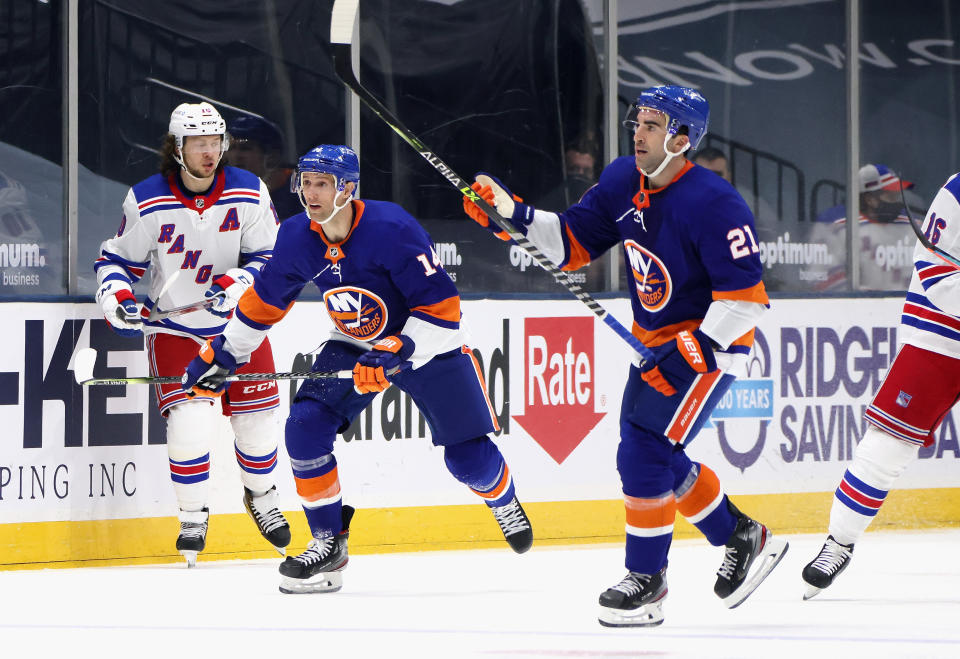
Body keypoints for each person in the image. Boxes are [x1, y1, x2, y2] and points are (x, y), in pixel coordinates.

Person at [463, 85, 788, 627]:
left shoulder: (715, 202)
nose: (637, 133)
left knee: (641, 454)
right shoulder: (620, 179)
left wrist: (688, 356)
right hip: (655, 343)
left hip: (711, 349)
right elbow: (570, 243)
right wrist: (510, 211)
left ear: (682, 140)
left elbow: (746, 301)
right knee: (654, 454)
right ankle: (741, 535)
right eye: (638, 122)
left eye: (653, 125)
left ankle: (648, 580)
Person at [180, 144, 533, 594]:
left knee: (468, 460)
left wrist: (394, 350)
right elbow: (261, 306)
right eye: (305, 182)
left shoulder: (391, 228)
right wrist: (221, 355)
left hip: (426, 344)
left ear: (347, 189)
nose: (310, 193)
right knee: (305, 427)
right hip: (354, 342)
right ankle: (329, 542)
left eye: (321, 184)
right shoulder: (296, 236)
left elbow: (442, 309)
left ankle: (502, 500)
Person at [94, 101, 290, 566]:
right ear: (176, 148)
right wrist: (117, 301)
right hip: (176, 328)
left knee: (257, 426)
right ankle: (192, 516)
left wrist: (241, 282)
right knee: (190, 424)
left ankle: (262, 497)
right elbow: (116, 262)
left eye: (215, 142)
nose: (209, 152)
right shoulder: (146, 198)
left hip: (242, 326)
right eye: (197, 143)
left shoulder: (250, 190)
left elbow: (272, 256)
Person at [801, 171, 960, 599]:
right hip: (940, 335)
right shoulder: (957, 191)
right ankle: (838, 543)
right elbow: (934, 269)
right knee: (884, 448)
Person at [810, 164, 917, 291]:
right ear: (870, 199)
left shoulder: (911, 226)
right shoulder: (835, 226)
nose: (897, 201)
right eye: (891, 197)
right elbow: (820, 276)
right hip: (855, 309)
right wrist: (863, 298)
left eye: (898, 196)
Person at [225, 115, 301, 221]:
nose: (236, 156)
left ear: (272, 156)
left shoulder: (304, 189)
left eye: (245, 148)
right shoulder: (224, 192)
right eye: (231, 148)